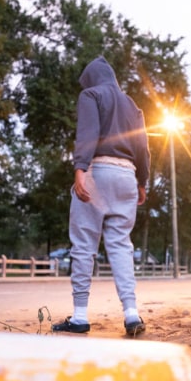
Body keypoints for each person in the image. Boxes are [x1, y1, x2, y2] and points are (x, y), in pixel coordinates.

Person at [52, 56, 150, 337]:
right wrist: (142, 181)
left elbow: (88, 134)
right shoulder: (133, 106)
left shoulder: (91, 95)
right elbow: (143, 147)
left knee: (84, 245)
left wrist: (80, 168)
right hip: (127, 177)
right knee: (121, 246)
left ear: (91, 79)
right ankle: (131, 313)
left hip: (98, 172)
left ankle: (80, 316)